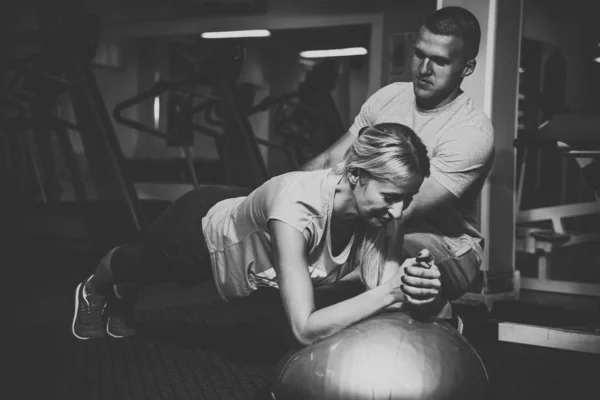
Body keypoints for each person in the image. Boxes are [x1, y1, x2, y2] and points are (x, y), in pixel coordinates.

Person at [72, 123, 440, 346]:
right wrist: (393, 290)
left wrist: (416, 285)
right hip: (196, 233)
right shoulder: (296, 208)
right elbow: (305, 330)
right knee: (141, 267)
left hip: (245, 217)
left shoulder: (384, 212)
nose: (398, 213)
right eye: (391, 198)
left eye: (406, 200)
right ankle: (96, 288)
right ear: (357, 175)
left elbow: (388, 297)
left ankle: (123, 292)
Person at [301, 6, 495, 320]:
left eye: (441, 61)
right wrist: (285, 202)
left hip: (446, 245)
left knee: (371, 268)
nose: (424, 69)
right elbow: (329, 160)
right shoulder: (388, 98)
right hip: (375, 224)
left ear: (467, 67)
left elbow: (399, 209)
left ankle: (438, 315)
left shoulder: (471, 132)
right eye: (419, 54)